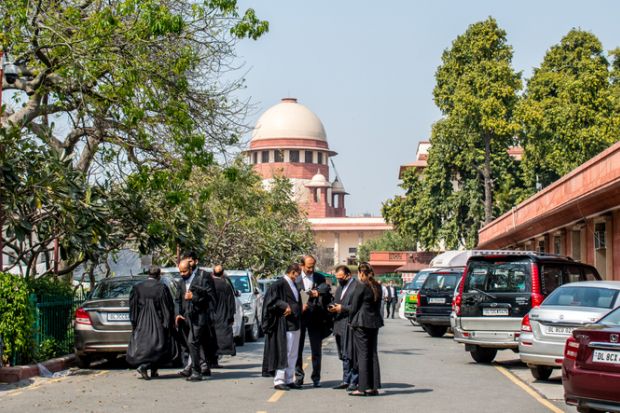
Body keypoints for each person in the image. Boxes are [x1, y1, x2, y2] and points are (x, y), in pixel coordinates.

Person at [126, 266, 176, 380]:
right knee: (158, 345)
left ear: (148, 274)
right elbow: (167, 307)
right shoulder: (162, 287)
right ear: (159, 275)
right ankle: (145, 366)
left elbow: (133, 307)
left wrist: (134, 322)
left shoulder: (137, 287)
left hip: (142, 321)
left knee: (146, 346)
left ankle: (154, 370)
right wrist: (168, 322)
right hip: (158, 320)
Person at [261, 263, 303, 390]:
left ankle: (289, 379)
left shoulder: (294, 284)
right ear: (292, 272)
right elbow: (270, 301)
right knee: (284, 352)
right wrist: (284, 305)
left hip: (295, 323)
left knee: (293, 354)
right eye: (298, 273)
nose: (299, 275)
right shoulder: (278, 284)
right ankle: (279, 380)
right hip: (285, 324)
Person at [295, 255, 333, 387]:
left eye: (313, 266)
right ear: (302, 266)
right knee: (297, 348)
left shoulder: (319, 277)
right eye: (308, 267)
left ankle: (316, 377)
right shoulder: (296, 279)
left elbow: (326, 289)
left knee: (316, 349)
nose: (311, 269)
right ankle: (298, 376)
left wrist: (317, 291)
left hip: (316, 316)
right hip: (300, 317)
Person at [348, 262, 383, 396]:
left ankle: (362, 387)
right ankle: (373, 387)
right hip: (374, 323)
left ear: (361, 273)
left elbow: (354, 307)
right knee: (372, 353)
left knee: (363, 355)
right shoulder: (378, 286)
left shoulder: (361, 286)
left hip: (361, 323)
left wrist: (350, 319)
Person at [175, 258, 213, 381]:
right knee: (190, 344)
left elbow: (209, 297)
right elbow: (178, 300)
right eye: (180, 272)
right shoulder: (180, 283)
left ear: (190, 269)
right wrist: (177, 313)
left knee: (193, 342)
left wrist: (194, 297)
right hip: (185, 319)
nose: (182, 274)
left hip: (198, 318)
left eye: (184, 271)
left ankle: (197, 372)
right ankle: (197, 367)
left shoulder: (201, 280)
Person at [182, 251, 220, 373]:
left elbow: (211, 295)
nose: (189, 263)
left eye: (190, 261)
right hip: (188, 314)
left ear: (196, 261)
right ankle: (199, 365)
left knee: (197, 340)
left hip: (202, 314)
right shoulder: (184, 277)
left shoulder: (203, 275)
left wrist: (211, 312)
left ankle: (197, 367)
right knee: (194, 341)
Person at [327, 265, 359, 391]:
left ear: (348, 275)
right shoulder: (340, 287)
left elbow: (357, 307)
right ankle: (346, 379)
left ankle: (354, 380)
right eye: (337, 277)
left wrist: (343, 308)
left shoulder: (356, 287)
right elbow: (337, 301)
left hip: (350, 324)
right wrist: (332, 307)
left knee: (351, 354)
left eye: (340, 277)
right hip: (339, 324)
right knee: (343, 354)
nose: (339, 279)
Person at [211, 265, 237, 357]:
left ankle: (213, 358)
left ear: (213, 273)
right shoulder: (226, 286)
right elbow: (231, 303)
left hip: (211, 315)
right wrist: (231, 317)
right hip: (223, 315)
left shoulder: (210, 285)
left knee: (212, 337)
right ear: (222, 274)